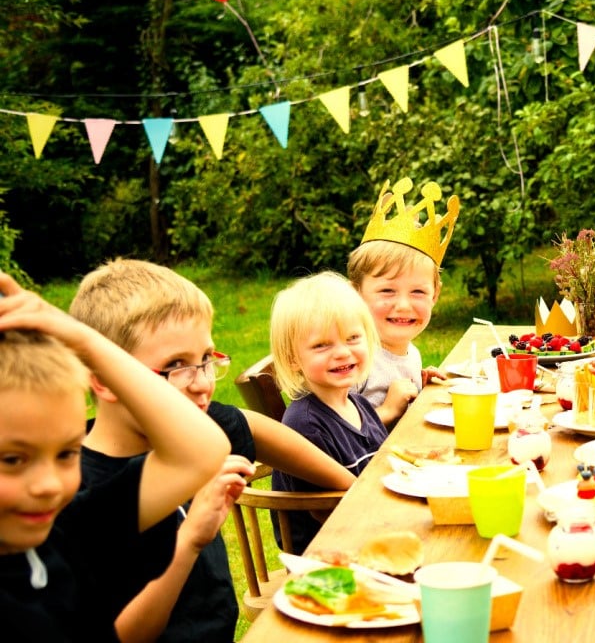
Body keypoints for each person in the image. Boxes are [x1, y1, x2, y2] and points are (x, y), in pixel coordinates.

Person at [69, 259, 357, 642]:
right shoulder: (73, 488)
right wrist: (189, 540)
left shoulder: (198, 424)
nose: (203, 382)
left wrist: (353, 490)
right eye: (175, 365)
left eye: (206, 359)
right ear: (105, 380)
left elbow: (255, 427)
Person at [0, 273, 228, 642]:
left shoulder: (64, 536)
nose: (49, 485)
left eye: (66, 453)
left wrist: (81, 340)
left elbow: (201, 451)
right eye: (12, 460)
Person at [269, 271, 388, 553]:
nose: (342, 353)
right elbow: (325, 513)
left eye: (352, 338)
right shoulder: (306, 425)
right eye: (322, 345)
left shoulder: (359, 405)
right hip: (328, 556)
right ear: (292, 359)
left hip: (369, 529)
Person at [348, 177, 460, 426]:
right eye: (387, 290)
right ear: (355, 294)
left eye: (418, 292)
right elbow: (332, 434)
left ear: (435, 295)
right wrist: (386, 410)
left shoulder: (412, 353)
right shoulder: (351, 359)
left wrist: (420, 387)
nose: (403, 305)